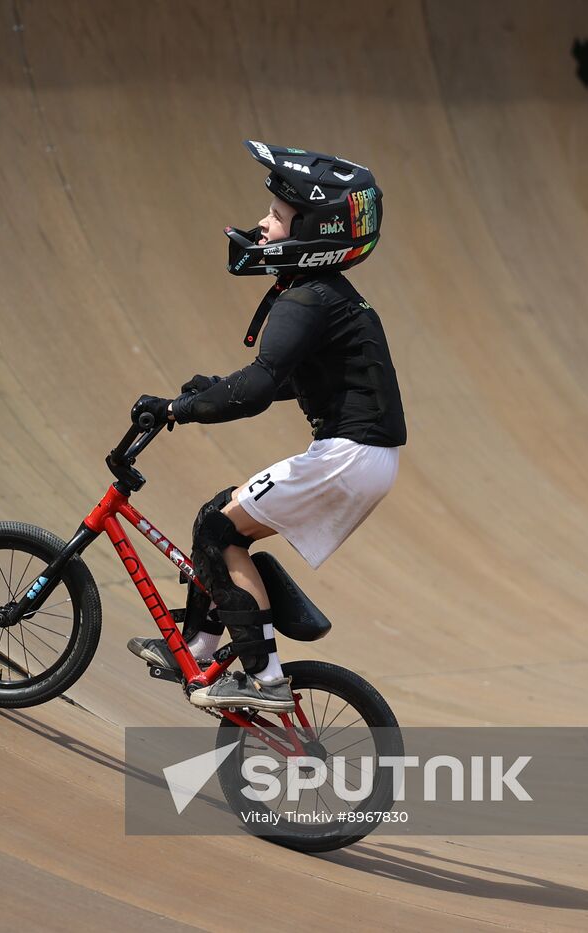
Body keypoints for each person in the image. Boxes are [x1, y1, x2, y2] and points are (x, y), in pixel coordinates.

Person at [126, 140, 406, 712]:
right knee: (219, 518)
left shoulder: (307, 299)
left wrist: (178, 409)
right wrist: (210, 391)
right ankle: (202, 646)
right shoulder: (325, 297)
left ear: (315, 232)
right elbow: (291, 381)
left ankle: (267, 679)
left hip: (349, 455)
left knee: (218, 533)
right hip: (360, 455)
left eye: (277, 216)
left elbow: (257, 388)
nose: (263, 223)